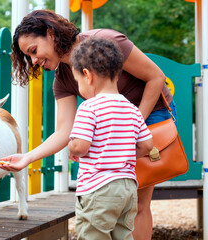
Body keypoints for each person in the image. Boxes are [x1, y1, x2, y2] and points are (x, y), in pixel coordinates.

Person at [0, 9, 177, 240]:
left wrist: (130, 126)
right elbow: (64, 131)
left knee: (140, 202)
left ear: (51, 34)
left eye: (33, 51)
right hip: (122, 122)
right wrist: (27, 158)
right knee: (124, 203)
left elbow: (156, 77)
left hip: (147, 110)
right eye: (28, 57)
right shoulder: (63, 78)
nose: (33, 61)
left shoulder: (106, 44)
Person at [68, 38, 153, 239]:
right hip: (127, 187)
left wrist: (72, 148)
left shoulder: (89, 107)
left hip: (98, 187)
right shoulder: (132, 109)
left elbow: (80, 145)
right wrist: (123, 153)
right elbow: (147, 145)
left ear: (87, 76)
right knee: (123, 234)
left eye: (78, 81)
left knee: (93, 234)